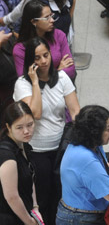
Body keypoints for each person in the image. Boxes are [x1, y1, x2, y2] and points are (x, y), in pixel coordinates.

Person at [14, 36, 80, 225]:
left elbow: (75, 110)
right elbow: (35, 112)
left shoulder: (62, 78)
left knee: (61, 194)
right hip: (36, 150)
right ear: (30, 61)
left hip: (61, 147)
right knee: (42, 197)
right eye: (37, 58)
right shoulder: (23, 84)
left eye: (46, 55)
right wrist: (35, 83)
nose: (43, 61)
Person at [56, 105, 109, 225]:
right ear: (95, 132)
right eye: (107, 129)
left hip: (82, 211)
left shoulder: (90, 143)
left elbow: (104, 164)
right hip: (80, 218)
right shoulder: (85, 159)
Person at [13, 0, 74, 80]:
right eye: (47, 18)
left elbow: (71, 70)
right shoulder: (20, 49)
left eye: (51, 16)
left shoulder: (59, 35)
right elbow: (24, 82)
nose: (52, 20)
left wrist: (44, 77)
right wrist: (58, 71)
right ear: (34, 22)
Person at [0, 101, 38, 225]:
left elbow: (30, 177)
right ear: (9, 127)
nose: (27, 131)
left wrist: (35, 207)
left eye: (30, 124)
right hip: (10, 217)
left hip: (25, 210)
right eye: (19, 127)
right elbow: (11, 197)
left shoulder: (24, 145)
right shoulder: (7, 155)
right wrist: (30, 221)